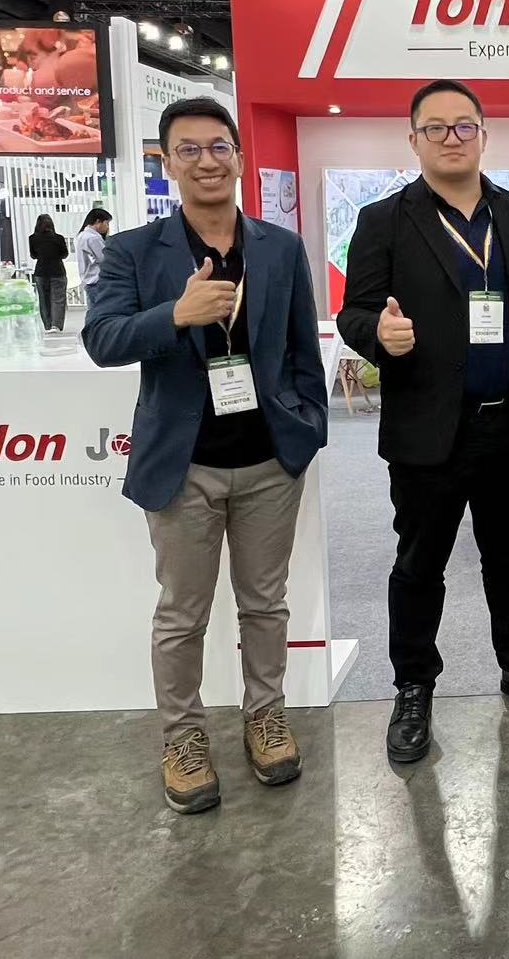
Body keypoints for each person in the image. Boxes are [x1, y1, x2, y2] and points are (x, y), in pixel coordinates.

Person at [82, 95, 329, 814]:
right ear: (167, 164)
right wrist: (175, 315)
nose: (206, 161)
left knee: (265, 606)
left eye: (219, 147)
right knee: (182, 614)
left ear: (240, 158)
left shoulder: (279, 248)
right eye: (187, 149)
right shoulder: (135, 250)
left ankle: (265, 717)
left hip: (268, 461)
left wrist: (307, 426)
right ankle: (183, 738)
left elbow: (302, 347)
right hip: (182, 465)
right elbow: (102, 341)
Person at [337, 79, 509, 763]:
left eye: (464, 125)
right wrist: (379, 335)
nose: (451, 137)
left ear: (483, 135)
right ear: (413, 139)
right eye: (436, 127)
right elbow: (355, 313)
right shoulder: (385, 219)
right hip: (427, 429)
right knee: (420, 565)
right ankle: (413, 686)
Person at [30, 215, 70, 332]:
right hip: (57, 271)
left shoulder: (32, 238)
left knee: (44, 300)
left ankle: (47, 325)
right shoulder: (58, 238)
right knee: (58, 299)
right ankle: (56, 325)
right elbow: (64, 254)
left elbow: (33, 255)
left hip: (41, 272)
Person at [76, 208, 112, 294]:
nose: (107, 227)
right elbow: (104, 259)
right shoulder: (93, 238)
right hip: (97, 281)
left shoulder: (82, 235)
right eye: (107, 223)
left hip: (89, 281)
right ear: (98, 221)